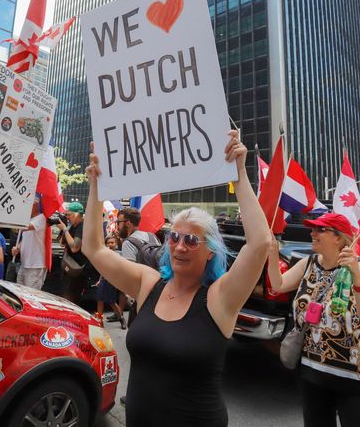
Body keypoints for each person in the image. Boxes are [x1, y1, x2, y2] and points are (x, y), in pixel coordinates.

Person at [82, 131, 270, 427]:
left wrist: (239, 175)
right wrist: (96, 185)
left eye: (192, 241)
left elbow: (260, 244)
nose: (180, 246)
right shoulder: (148, 283)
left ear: (211, 252)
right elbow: (92, 248)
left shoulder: (220, 297)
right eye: (174, 238)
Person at [266, 212, 360, 427]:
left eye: (320, 229)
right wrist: (273, 255)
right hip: (313, 372)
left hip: (356, 376)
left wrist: (356, 275)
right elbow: (278, 285)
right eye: (312, 229)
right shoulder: (307, 263)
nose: (312, 233)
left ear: (338, 237)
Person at [58, 201, 94, 305]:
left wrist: (65, 229)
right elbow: (62, 244)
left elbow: (74, 247)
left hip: (78, 269)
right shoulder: (73, 226)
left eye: (68, 214)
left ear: (77, 214)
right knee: (67, 295)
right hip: (71, 268)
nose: (67, 217)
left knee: (71, 298)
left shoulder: (82, 226)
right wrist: (64, 229)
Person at [12, 198, 48, 290]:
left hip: (35, 265)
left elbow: (26, 227)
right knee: (20, 292)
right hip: (24, 263)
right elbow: (25, 238)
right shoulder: (27, 220)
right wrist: (18, 248)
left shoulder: (41, 218)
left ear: (34, 206)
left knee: (31, 295)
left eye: (26, 205)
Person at [96, 236, 127, 329]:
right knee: (100, 300)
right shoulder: (104, 255)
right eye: (108, 243)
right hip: (103, 280)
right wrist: (99, 279)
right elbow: (102, 268)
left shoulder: (118, 255)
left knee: (111, 301)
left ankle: (121, 318)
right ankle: (100, 322)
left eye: (112, 243)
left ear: (116, 244)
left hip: (112, 281)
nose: (110, 244)